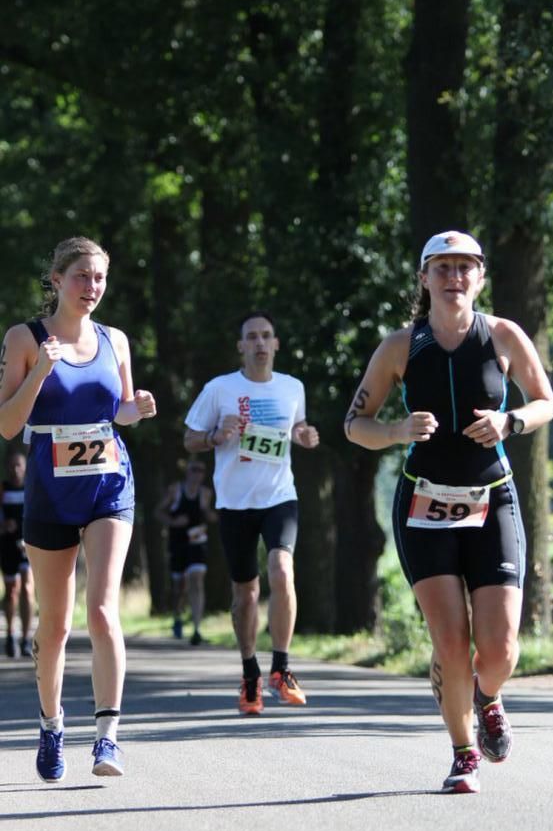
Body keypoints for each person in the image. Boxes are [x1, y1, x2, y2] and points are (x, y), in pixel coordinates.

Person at [344, 231, 553, 794]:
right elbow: (353, 424)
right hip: (424, 503)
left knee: (502, 646)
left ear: (480, 277)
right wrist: (396, 430)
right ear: (424, 278)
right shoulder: (400, 346)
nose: (454, 277)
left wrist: (511, 423)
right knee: (451, 644)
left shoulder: (504, 335)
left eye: (465, 267)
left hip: (493, 499)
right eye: (442, 268)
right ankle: (464, 753)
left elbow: (545, 400)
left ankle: (488, 696)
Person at [0, 236, 157, 782]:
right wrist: (41, 371)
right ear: (57, 279)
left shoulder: (115, 340)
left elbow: (120, 408)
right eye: (82, 277)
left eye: (99, 279)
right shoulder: (25, 337)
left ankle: (107, 738)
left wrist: (135, 411)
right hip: (49, 489)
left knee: (102, 610)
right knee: (55, 626)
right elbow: (6, 424)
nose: (92, 288)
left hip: (110, 484)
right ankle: (51, 725)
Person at [183, 311, 319, 713]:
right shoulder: (220, 389)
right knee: (246, 594)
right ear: (241, 346)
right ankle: (249, 674)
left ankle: (282, 668)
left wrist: (305, 435)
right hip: (234, 503)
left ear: (276, 344)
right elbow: (189, 437)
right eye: (251, 337)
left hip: (279, 498)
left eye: (266, 336)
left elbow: (298, 428)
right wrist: (214, 436)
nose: (260, 343)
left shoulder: (292, 387)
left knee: (281, 569)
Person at [156, 459, 215, 645]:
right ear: (187, 472)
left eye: (201, 470)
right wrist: (173, 522)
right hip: (178, 542)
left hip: (197, 542)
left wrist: (211, 514)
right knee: (179, 585)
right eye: (194, 469)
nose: (197, 474)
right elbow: (158, 512)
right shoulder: (176, 490)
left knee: (197, 580)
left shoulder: (206, 494)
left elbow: (212, 516)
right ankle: (178, 617)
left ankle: (197, 628)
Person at [1, 450, 35, 658]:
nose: (15, 470)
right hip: (6, 545)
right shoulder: (3, 489)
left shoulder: (32, 488)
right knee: (12, 590)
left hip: (29, 544)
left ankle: (26, 638)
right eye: (12, 465)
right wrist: (4, 525)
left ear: (25, 468)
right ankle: (11, 634)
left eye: (19, 465)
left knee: (28, 588)